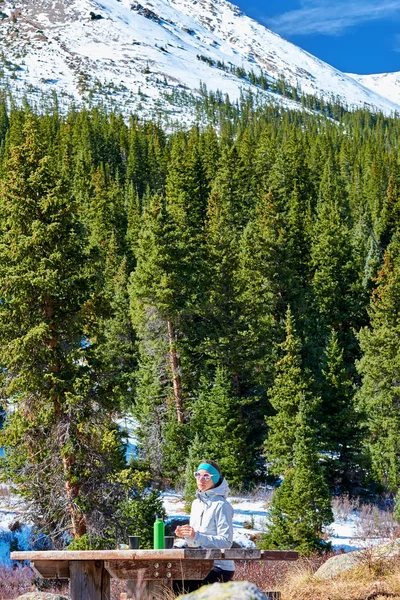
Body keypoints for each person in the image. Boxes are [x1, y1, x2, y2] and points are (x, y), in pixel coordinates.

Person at [173, 460, 235, 594]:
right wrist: (186, 535)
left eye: (206, 476)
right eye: (198, 475)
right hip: (197, 564)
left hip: (219, 567)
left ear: (216, 479)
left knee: (179, 586)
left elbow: (226, 542)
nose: (201, 479)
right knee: (168, 581)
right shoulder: (196, 504)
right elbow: (194, 542)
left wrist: (196, 536)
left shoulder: (222, 505)